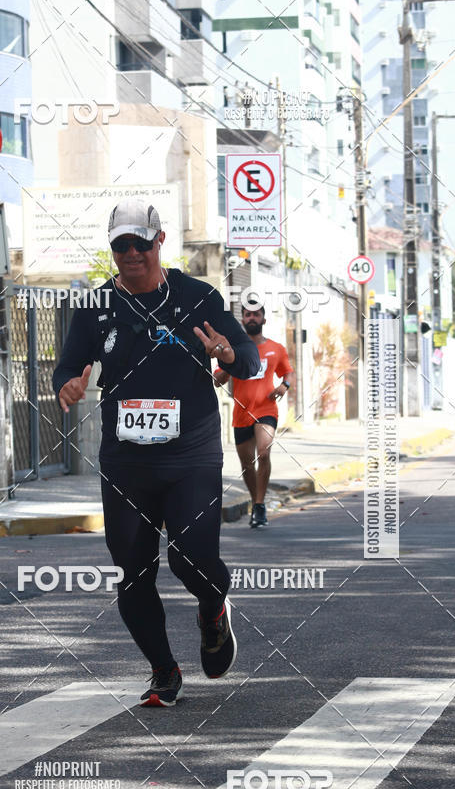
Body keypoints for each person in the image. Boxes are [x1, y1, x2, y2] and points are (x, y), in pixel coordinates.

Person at [53, 199, 260, 707]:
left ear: (159, 242)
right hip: (126, 459)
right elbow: (67, 367)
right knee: (131, 570)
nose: (130, 254)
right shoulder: (95, 307)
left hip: (190, 453)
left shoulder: (199, 297)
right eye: (120, 245)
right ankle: (164, 670)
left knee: (192, 558)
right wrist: (67, 386)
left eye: (139, 244)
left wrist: (230, 355)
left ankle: (213, 609)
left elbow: (250, 362)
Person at [214, 302, 293, 528]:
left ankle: (259, 504)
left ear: (263, 320)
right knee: (247, 465)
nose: (251, 318)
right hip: (241, 413)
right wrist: (227, 368)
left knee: (263, 452)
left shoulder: (276, 349)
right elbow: (217, 379)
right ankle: (255, 500)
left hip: (266, 409)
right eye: (247, 315)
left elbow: (288, 372)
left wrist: (284, 386)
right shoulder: (236, 350)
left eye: (256, 314)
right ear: (242, 320)